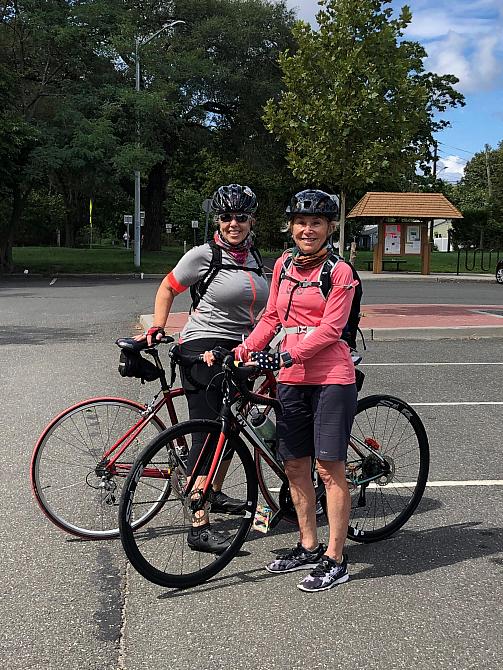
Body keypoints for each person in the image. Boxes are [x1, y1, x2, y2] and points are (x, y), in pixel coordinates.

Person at [235, 189, 359, 593]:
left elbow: (331, 330)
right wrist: (246, 348)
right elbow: (272, 316)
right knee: (294, 465)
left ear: (330, 228)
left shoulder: (340, 272)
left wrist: (286, 356)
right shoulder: (284, 264)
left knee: (328, 468)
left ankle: (335, 557)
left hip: (330, 378)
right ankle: (308, 545)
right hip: (291, 378)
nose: (308, 229)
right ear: (291, 226)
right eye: (302, 222)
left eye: (317, 223)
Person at [142, 184, 269, 554]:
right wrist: (158, 325)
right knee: (209, 431)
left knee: (232, 428)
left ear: (251, 220)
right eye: (226, 217)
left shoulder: (254, 257)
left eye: (240, 217)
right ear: (218, 219)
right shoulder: (203, 255)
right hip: (202, 348)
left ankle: (211, 492)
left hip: (239, 350)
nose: (233, 223)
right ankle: (198, 525)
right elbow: (168, 287)